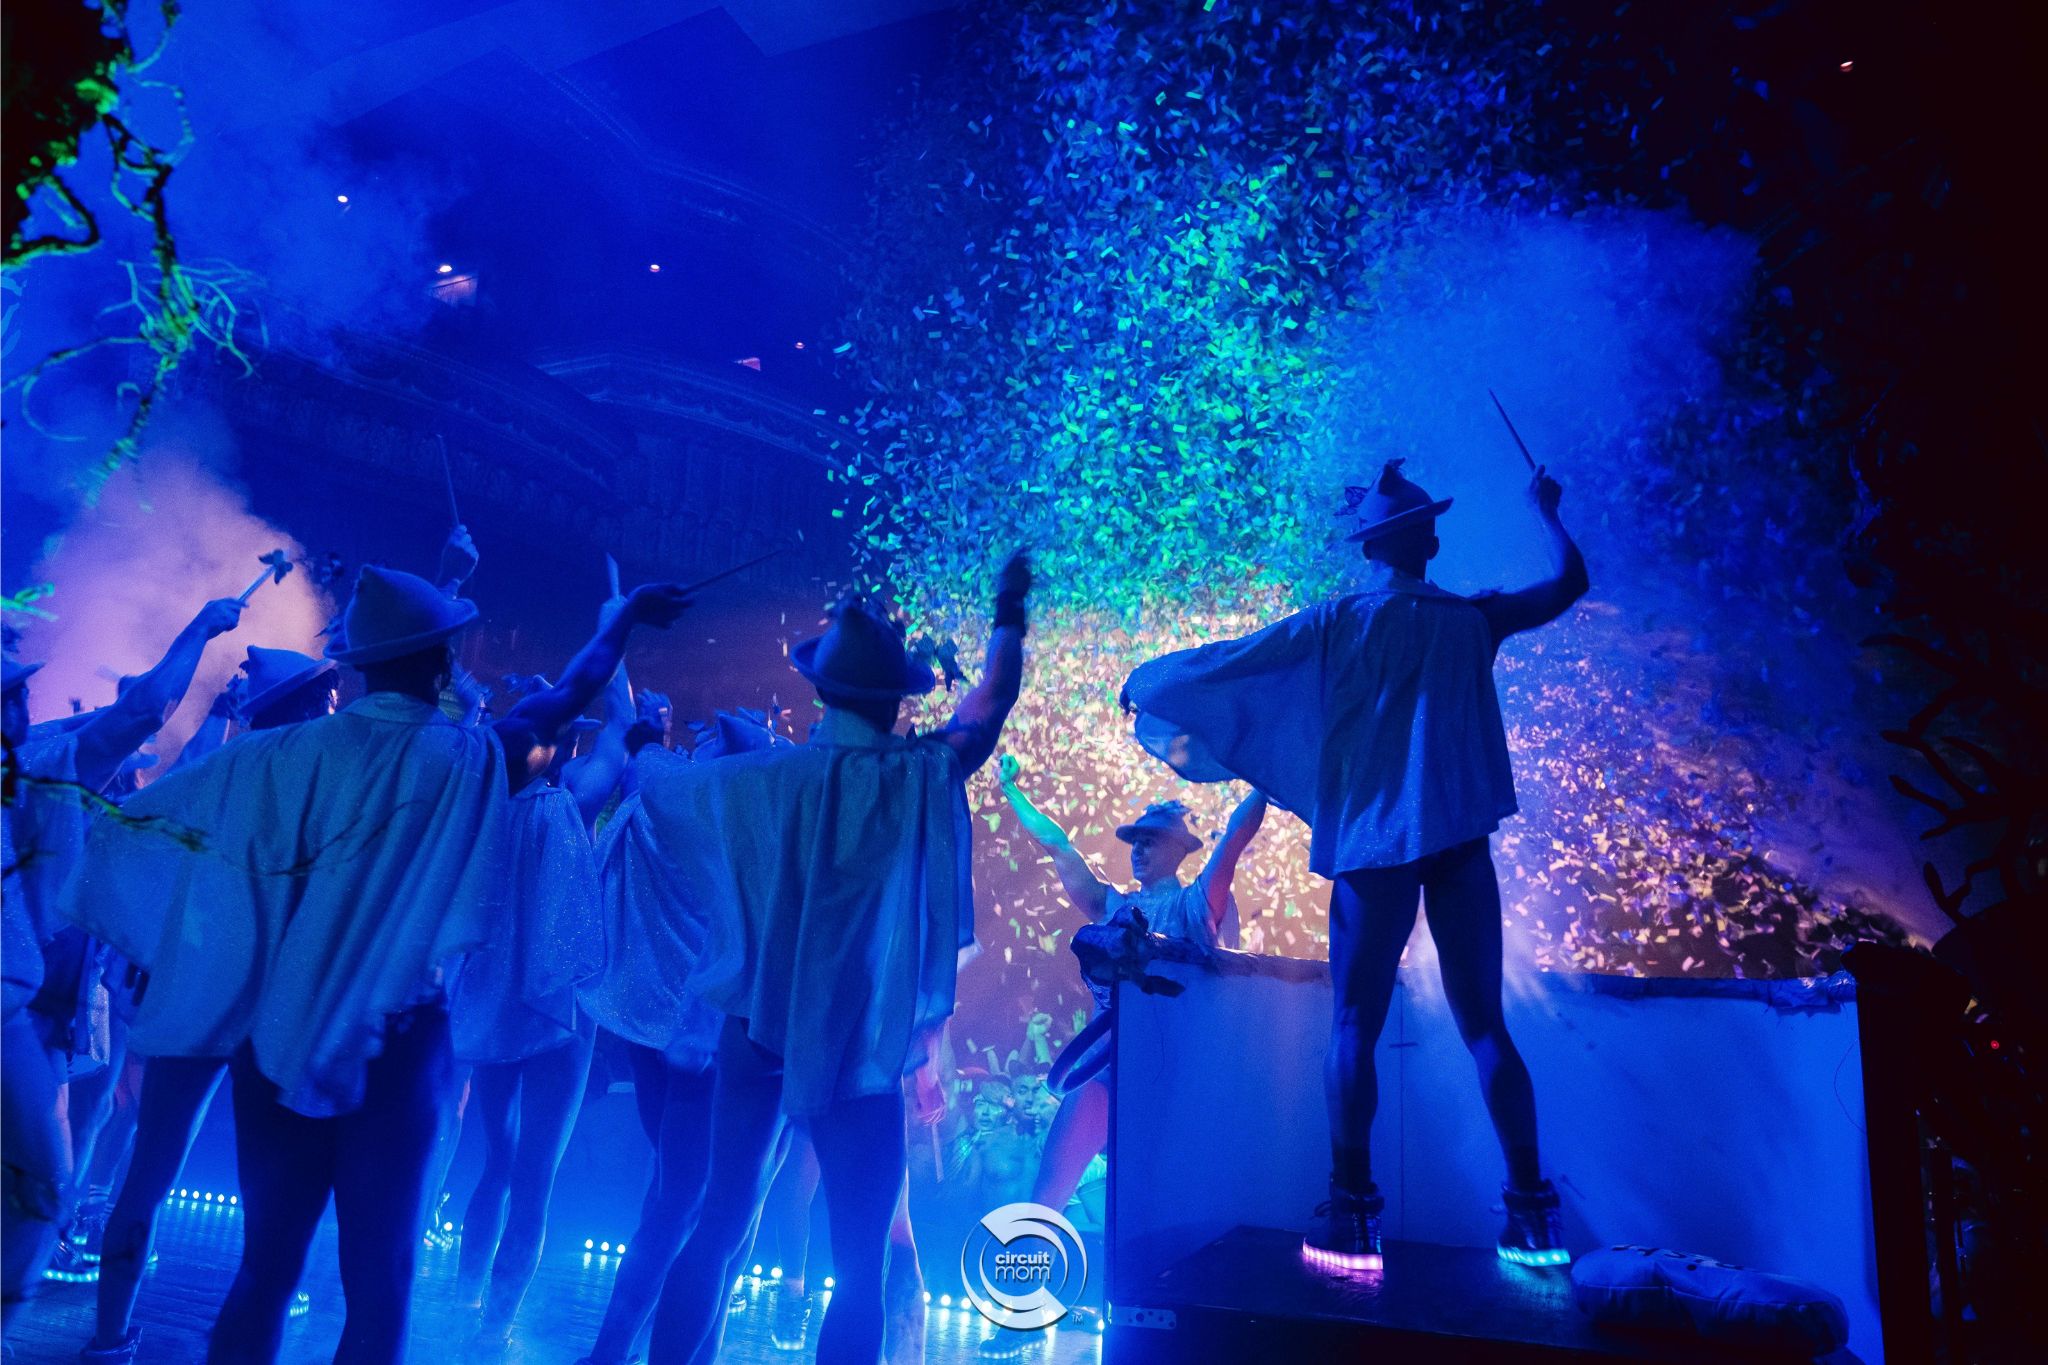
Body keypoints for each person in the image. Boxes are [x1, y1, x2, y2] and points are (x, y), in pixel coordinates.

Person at [67, 565, 691, 1362]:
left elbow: (138, 823)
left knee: (264, 1271)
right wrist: (623, 618)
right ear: (441, 657)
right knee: (382, 1280)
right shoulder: (465, 758)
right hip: (398, 1043)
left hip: (278, 1031)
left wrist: (158, 949)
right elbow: (572, 694)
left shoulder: (274, 755)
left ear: (361, 664)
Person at [1121, 458, 1588, 1271]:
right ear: (1432, 542)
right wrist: (1546, 510)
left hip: (1375, 847)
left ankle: (1353, 1215)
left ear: (1369, 547)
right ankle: (1533, 1215)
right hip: (1460, 844)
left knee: (1353, 1026)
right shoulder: (1474, 620)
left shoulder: (1336, 621)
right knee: (1486, 1026)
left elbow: (1231, 661)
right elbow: (1569, 583)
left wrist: (1148, 682)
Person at [638, 555, 1032, 1365]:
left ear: (821, 690)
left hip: (757, 1029)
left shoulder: (763, 776)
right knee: (858, 1270)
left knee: (717, 1227)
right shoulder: (917, 775)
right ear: (898, 698)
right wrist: (1008, 610)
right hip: (857, 1047)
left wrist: (639, 735)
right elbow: (991, 701)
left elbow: (661, 787)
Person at [82, 649, 340, 1362]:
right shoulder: (325, 776)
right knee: (273, 1192)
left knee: (150, 1171)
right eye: (327, 698)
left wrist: (148, 940)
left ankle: (108, 1340)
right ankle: (254, 1339)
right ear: (304, 703)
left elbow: (124, 827)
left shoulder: (224, 767)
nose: (335, 708)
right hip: (274, 1001)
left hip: (198, 988)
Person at [4, 596, 247, 1315]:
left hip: (55, 999)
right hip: (21, 1005)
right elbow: (140, 715)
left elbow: (150, 728)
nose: (24, 701)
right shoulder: (41, 770)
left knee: (67, 1145)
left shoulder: (33, 764)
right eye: (12, 691)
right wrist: (201, 628)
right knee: (46, 1176)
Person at [579, 707, 791, 1365]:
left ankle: (638, 1352)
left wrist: (650, 735)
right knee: (697, 1210)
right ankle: (615, 1353)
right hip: (708, 1040)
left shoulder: (672, 802)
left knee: (690, 1206)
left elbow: (647, 766)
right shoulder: (741, 818)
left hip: (667, 1026)